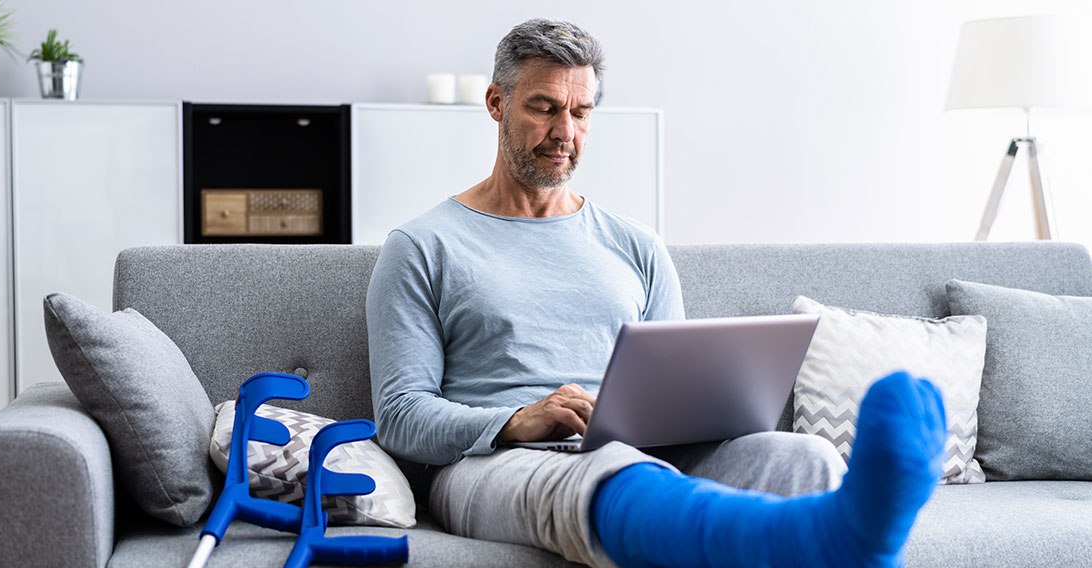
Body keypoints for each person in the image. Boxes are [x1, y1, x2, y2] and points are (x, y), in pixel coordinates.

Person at [366, 19, 946, 568]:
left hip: (645, 453)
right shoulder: (422, 245)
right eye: (544, 108)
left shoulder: (636, 245)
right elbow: (399, 416)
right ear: (497, 103)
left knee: (804, 460)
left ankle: (846, 535)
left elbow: (678, 393)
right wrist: (517, 420)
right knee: (608, 473)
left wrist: (712, 409)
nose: (565, 132)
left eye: (581, 112)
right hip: (499, 464)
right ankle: (830, 537)